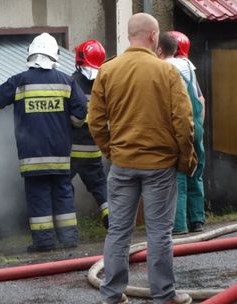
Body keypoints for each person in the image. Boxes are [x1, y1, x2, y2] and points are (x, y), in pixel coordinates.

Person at [88, 13, 197, 304]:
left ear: (129, 35)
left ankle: (112, 294)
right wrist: (186, 159)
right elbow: (184, 122)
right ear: (152, 36)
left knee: (119, 232)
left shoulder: (108, 70)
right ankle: (164, 296)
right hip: (160, 167)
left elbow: (95, 121)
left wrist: (112, 152)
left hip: (122, 165)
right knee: (159, 234)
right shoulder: (167, 72)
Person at [0, 33, 87, 252]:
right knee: (63, 194)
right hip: (59, 155)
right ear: (54, 56)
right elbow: (79, 116)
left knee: (38, 197)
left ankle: (44, 242)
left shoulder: (19, 82)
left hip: (32, 156)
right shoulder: (67, 82)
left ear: (32, 54)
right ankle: (69, 240)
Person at [159, 31, 206, 234]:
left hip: (177, 131)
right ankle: (197, 221)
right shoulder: (188, 66)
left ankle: (179, 226)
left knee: (177, 178)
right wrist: (198, 128)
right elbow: (201, 100)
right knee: (195, 173)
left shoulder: (163, 68)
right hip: (196, 128)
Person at [71, 39, 109, 229]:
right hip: (93, 150)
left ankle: (67, 227)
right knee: (100, 188)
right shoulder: (103, 85)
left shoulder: (71, 82)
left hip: (71, 151)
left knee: (62, 186)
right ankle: (112, 221)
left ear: (79, 59)